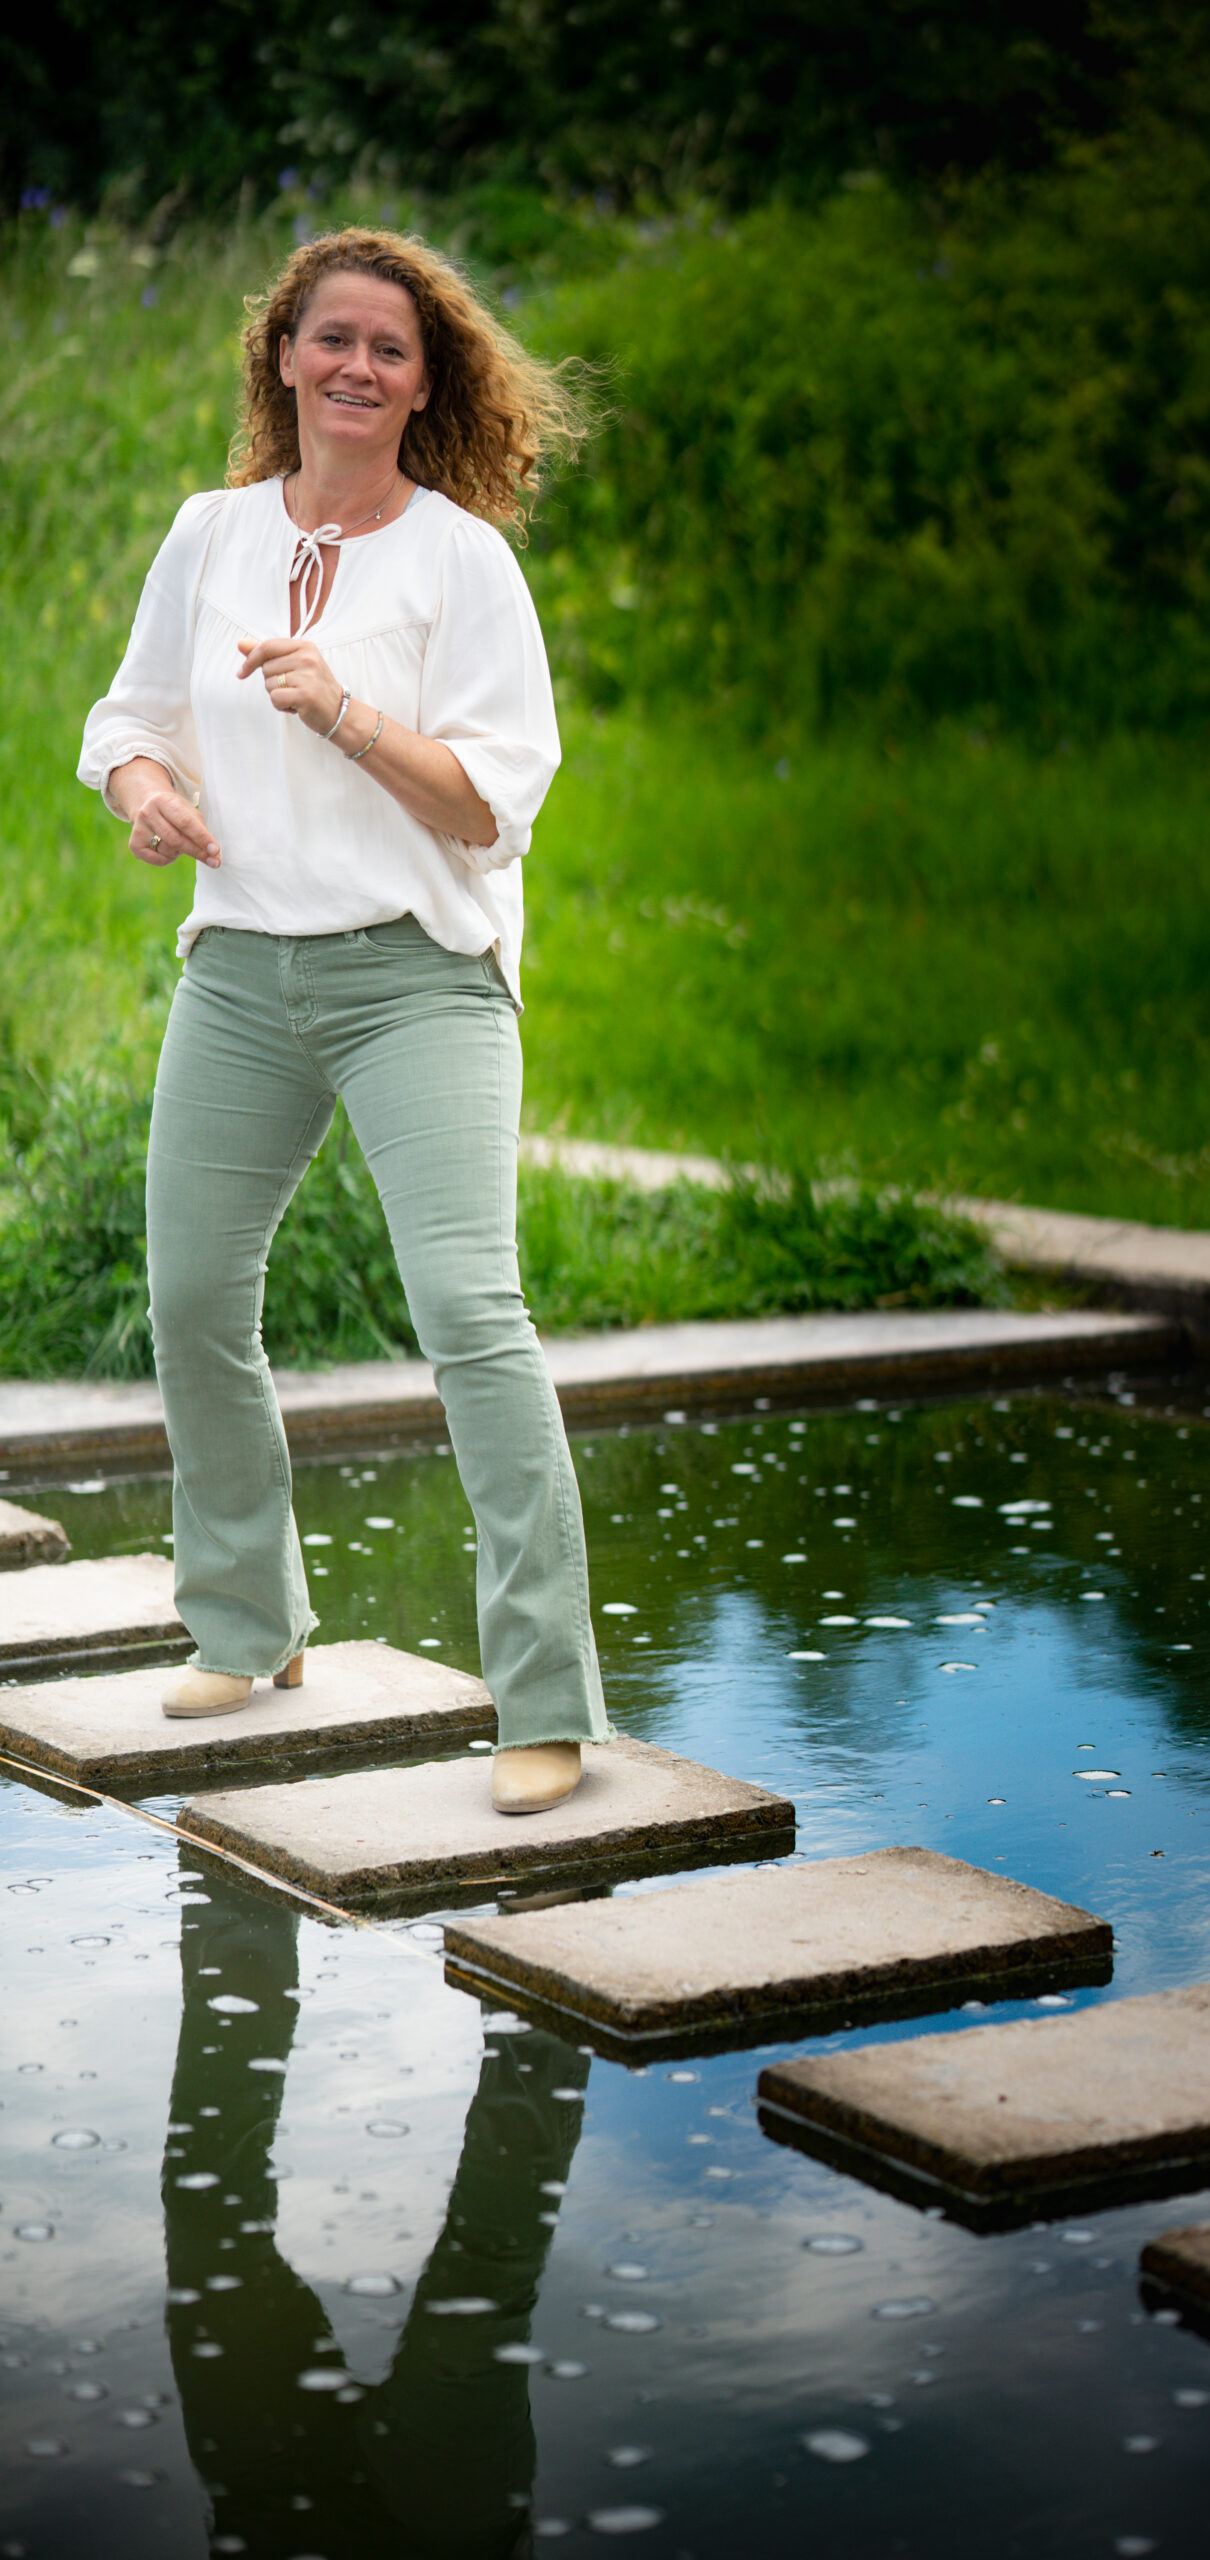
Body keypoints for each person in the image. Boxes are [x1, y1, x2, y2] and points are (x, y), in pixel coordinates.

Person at [78, 226, 606, 1815]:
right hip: (241, 972)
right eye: (332, 341)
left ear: (425, 381)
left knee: (469, 1314)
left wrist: (350, 715)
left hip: (415, 980)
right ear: (282, 358)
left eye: (389, 348)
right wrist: (151, 789)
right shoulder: (210, 531)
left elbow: (491, 810)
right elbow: (127, 716)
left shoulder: (462, 563)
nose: (357, 369)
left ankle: (545, 1703)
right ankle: (249, 1623)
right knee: (190, 1299)